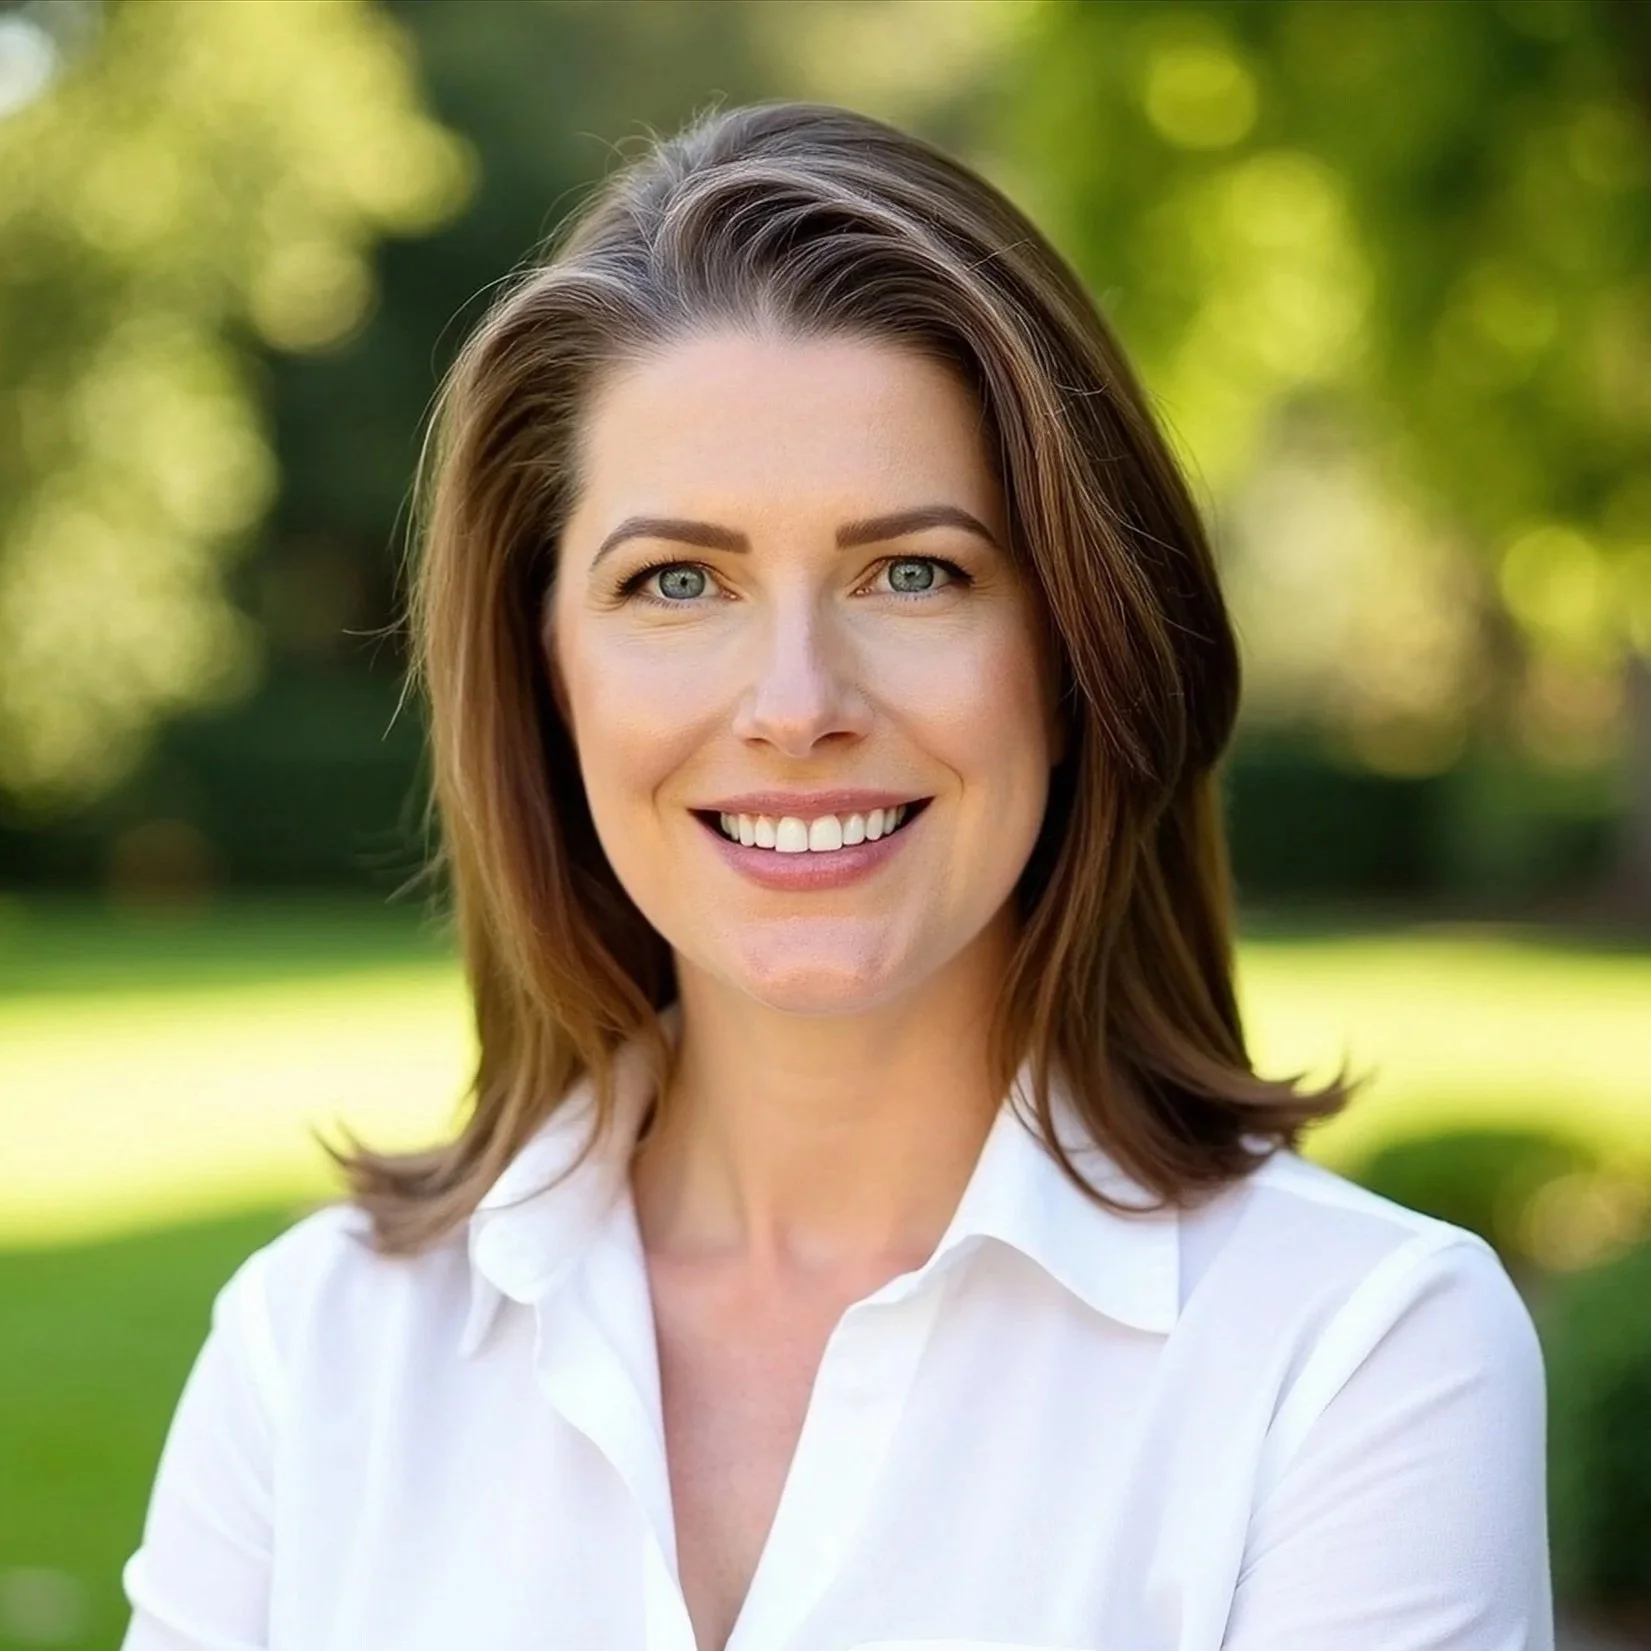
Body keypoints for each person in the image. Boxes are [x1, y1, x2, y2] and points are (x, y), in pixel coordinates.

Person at [119, 100, 1552, 1651]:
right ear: (546, 671)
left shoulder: (1354, 1354)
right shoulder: (314, 1349)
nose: (796, 702)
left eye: (912, 572)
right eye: (678, 581)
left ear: (1074, 655)